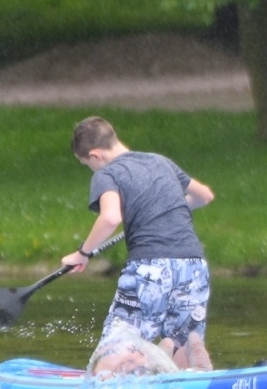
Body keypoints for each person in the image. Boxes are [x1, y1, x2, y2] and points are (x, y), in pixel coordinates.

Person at [61, 116, 216, 374]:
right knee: (183, 343)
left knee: (113, 349)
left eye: (87, 164)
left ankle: (115, 381)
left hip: (150, 268)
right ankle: (181, 350)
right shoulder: (160, 161)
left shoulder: (108, 174)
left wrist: (82, 253)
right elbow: (204, 196)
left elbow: (111, 218)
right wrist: (163, 209)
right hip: (194, 265)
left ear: (96, 155)